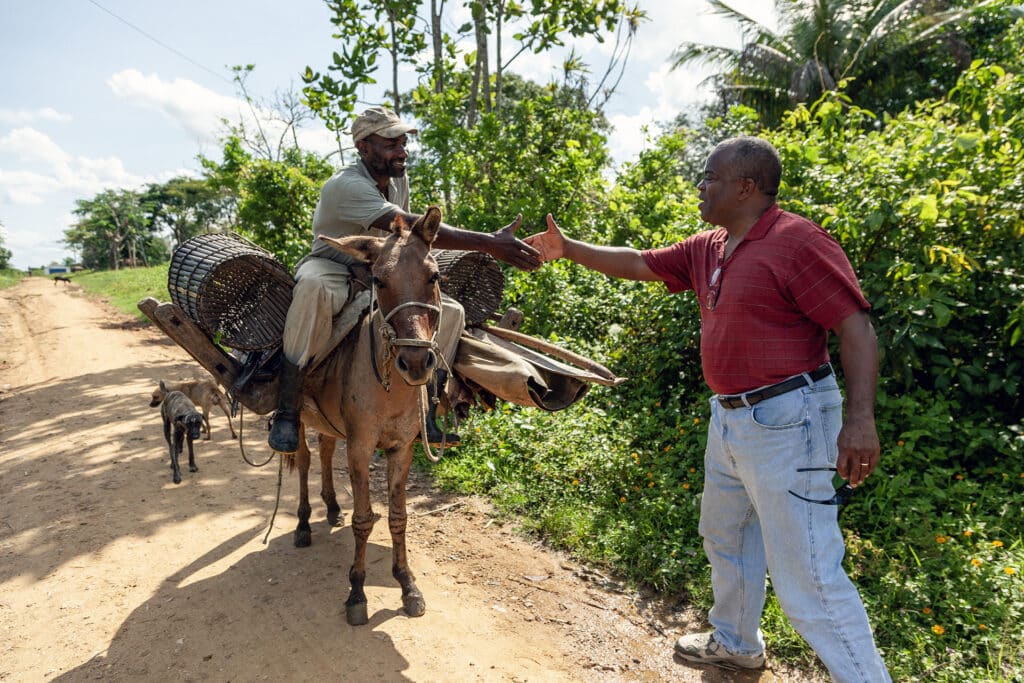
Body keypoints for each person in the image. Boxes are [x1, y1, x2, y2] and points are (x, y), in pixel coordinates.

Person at [524, 136, 890, 681]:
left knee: (809, 577)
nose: (701, 186)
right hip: (731, 420)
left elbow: (855, 328)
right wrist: (570, 247)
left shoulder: (796, 241)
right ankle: (737, 644)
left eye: (710, 177)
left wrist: (860, 420)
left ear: (745, 187)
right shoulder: (711, 247)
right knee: (726, 534)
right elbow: (640, 262)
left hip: (792, 419)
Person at [269, 106, 540, 454]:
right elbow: (409, 223)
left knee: (452, 311)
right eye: (390, 144)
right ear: (364, 147)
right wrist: (490, 242)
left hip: (379, 269)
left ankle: (425, 409)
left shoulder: (397, 178)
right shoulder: (344, 186)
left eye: (402, 142)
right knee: (312, 290)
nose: (401, 151)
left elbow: (403, 239)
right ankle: (288, 409)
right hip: (334, 265)